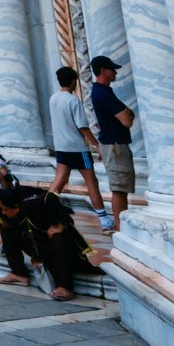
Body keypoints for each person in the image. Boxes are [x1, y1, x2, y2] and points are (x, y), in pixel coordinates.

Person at [0, 186, 113, 301]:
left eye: (5, 209)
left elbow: (51, 197)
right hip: (41, 251)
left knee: (58, 236)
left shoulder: (32, 204)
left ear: (16, 206)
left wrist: (58, 224)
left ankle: (65, 286)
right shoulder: (14, 215)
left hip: (65, 254)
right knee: (6, 229)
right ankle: (18, 273)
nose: (4, 212)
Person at [48, 66, 111, 231]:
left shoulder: (53, 98)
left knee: (59, 180)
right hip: (77, 148)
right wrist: (97, 145)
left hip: (61, 147)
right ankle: (104, 220)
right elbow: (82, 126)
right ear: (74, 81)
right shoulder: (73, 100)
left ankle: (45, 210)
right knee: (92, 182)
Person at [89, 56, 135, 233]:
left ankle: (120, 224)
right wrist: (128, 113)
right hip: (114, 145)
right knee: (119, 187)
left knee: (121, 187)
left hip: (113, 143)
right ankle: (121, 226)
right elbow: (126, 120)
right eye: (112, 69)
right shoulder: (102, 93)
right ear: (103, 71)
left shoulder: (102, 91)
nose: (115, 72)